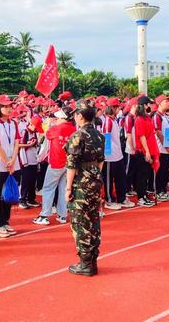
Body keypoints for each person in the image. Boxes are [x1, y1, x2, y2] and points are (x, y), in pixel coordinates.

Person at [65, 99, 105, 277]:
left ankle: (85, 263)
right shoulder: (99, 135)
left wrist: (67, 188)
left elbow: (71, 166)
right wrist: (94, 174)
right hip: (95, 181)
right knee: (93, 220)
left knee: (80, 222)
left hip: (81, 184)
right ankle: (92, 260)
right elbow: (101, 161)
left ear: (80, 116)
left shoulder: (77, 136)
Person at [33, 108, 76, 225]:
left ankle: (44, 215)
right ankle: (62, 215)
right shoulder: (73, 129)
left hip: (56, 163)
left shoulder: (55, 129)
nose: (55, 119)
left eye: (57, 118)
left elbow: (44, 133)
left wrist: (48, 124)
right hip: (69, 164)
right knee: (63, 189)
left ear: (62, 118)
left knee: (48, 188)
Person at [0, 94, 21, 238]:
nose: (8, 109)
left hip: (13, 163)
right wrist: (7, 162)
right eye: (5, 106)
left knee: (8, 193)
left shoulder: (13, 123)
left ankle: (5, 221)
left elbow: (16, 143)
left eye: (10, 106)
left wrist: (13, 159)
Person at [134, 96, 159, 207]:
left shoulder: (147, 118)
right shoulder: (139, 119)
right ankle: (141, 197)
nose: (150, 106)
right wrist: (147, 151)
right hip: (143, 151)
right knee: (142, 175)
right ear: (144, 105)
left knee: (147, 174)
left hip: (150, 150)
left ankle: (144, 195)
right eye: (149, 104)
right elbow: (141, 136)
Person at [18, 115, 42, 209]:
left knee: (33, 181)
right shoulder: (25, 132)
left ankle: (31, 199)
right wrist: (29, 145)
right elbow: (18, 145)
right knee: (25, 181)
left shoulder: (34, 133)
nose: (37, 129)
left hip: (34, 160)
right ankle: (22, 199)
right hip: (25, 161)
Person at [153, 95, 169, 201]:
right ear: (160, 103)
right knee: (160, 171)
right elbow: (158, 132)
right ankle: (159, 191)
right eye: (166, 101)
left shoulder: (167, 116)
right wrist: (166, 146)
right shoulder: (157, 116)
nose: (168, 103)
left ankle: (164, 190)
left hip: (168, 147)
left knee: (166, 171)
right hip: (161, 148)